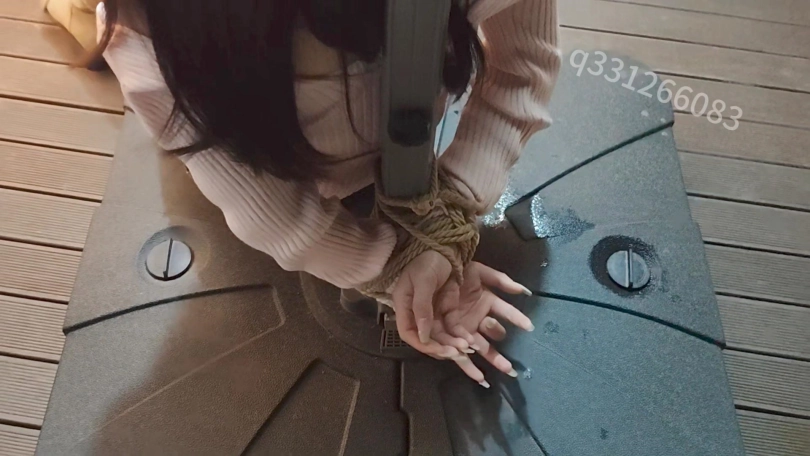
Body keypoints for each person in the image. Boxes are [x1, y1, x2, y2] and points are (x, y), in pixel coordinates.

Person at [88, 0, 561, 386]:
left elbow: (524, 65)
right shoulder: (146, 34)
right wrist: (384, 263)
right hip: (257, 152)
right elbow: (264, 206)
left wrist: (452, 205)